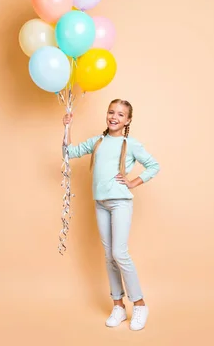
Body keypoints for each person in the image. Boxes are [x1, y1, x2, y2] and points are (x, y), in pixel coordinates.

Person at [62, 98, 160, 331]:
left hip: (120, 203)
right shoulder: (97, 141)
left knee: (119, 252)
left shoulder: (131, 144)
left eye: (120, 114)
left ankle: (139, 304)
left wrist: (134, 181)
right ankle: (118, 305)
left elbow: (154, 166)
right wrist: (67, 127)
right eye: (110, 112)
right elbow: (68, 152)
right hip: (101, 204)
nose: (114, 117)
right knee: (109, 255)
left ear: (127, 120)